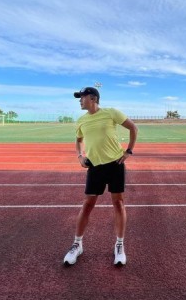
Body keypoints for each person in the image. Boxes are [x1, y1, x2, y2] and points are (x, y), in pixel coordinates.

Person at [63, 86, 138, 266]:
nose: (80, 100)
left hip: (115, 165)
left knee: (118, 203)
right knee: (88, 204)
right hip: (95, 167)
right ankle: (77, 244)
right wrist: (80, 156)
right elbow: (78, 140)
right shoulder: (81, 120)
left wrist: (128, 151)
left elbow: (133, 128)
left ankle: (119, 246)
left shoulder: (111, 112)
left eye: (82, 97)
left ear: (93, 98)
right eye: (79, 98)